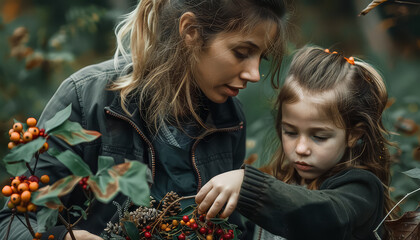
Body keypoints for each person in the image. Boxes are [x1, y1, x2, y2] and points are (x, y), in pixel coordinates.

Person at [0, 0, 290, 239]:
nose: (254, 74)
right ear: (190, 31)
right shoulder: (87, 97)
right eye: (242, 53)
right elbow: (13, 223)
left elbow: (231, 229)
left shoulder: (229, 118)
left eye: (260, 58)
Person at [195, 45, 395, 239]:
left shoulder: (362, 190)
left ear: (353, 135)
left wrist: (247, 185)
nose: (301, 148)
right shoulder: (282, 183)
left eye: (319, 137)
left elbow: (327, 217)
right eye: (290, 132)